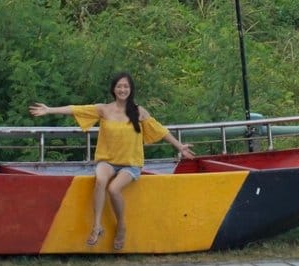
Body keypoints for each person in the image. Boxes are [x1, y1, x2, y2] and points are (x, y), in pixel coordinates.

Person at [29, 71, 194, 250]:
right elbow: (75, 109)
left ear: (131, 89)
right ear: (114, 89)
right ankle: (97, 226)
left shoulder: (139, 111)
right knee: (100, 180)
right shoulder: (104, 109)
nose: (122, 89)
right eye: (119, 86)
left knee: (114, 189)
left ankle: (121, 226)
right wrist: (49, 109)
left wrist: (180, 146)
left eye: (126, 86)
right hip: (107, 161)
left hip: (130, 163)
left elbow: (160, 130)